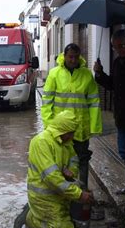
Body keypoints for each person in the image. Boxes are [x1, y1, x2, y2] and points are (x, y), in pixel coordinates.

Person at [14, 110, 95, 228]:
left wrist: (71, 172)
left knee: (74, 221)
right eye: (70, 133)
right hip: (45, 198)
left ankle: (40, 215)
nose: (72, 136)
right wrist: (79, 194)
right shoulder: (41, 142)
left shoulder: (66, 142)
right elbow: (51, 177)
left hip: (60, 194)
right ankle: (31, 218)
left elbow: (74, 160)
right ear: (62, 130)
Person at [41, 43, 102, 188]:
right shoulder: (54, 74)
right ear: (64, 56)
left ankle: (83, 191)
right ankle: (66, 192)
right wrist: (49, 126)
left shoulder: (86, 74)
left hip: (81, 129)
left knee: (82, 160)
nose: (73, 60)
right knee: (63, 162)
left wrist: (94, 127)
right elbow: (47, 102)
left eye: (76, 57)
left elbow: (94, 102)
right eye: (70, 57)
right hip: (61, 130)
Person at [94, 30, 125, 199]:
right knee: (124, 152)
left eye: (121, 46)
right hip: (120, 115)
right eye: (115, 47)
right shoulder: (117, 63)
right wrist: (100, 74)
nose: (119, 50)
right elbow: (113, 85)